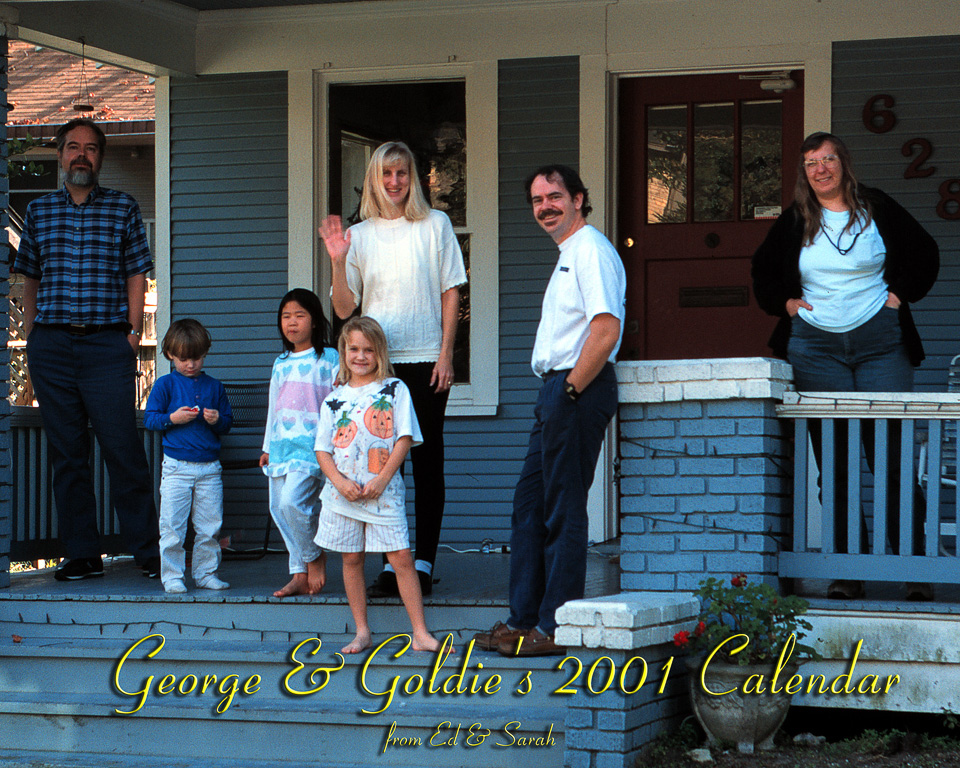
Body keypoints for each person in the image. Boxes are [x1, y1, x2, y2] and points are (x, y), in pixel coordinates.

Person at [752, 131, 939, 601]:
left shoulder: (876, 207)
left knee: (891, 458)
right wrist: (789, 305)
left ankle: (915, 570)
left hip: (882, 344)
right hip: (816, 350)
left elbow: (925, 252)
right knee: (835, 463)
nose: (821, 168)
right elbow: (763, 274)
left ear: (843, 164)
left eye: (828, 158)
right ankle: (844, 570)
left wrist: (899, 297)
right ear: (804, 172)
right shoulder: (796, 220)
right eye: (811, 162)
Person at [473, 165, 626, 657]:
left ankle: (555, 624)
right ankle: (523, 620)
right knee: (529, 506)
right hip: (557, 390)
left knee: (562, 507)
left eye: (555, 196)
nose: (546, 207)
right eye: (537, 200)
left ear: (579, 198)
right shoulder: (569, 254)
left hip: (575, 388)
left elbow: (606, 329)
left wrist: (572, 391)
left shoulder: (592, 251)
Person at [12, 117, 161, 581]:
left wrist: (133, 333)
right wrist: (34, 333)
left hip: (106, 344)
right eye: (72, 147)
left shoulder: (123, 207)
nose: (81, 155)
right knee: (67, 453)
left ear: (100, 157)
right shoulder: (39, 211)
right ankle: (82, 554)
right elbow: (29, 276)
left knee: (122, 449)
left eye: (90, 148)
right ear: (60, 156)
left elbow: (138, 271)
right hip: (53, 346)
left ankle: (147, 551)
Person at [319, 141, 467, 598]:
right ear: (374, 180)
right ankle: (391, 563)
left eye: (402, 173)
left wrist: (447, 355)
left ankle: (421, 563)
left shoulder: (435, 225)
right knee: (383, 465)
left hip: (425, 360)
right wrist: (339, 259)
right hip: (378, 368)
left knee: (427, 461)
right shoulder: (359, 235)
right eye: (386, 174)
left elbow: (451, 292)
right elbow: (345, 310)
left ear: (414, 177)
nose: (394, 182)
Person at [315, 317, 447, 655]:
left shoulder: (394, 390)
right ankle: (362, 632)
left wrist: (384, 477)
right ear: (343, 352)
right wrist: (340, 482)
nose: (360, 356)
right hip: (343, 494)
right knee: (352, 559)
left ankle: (419, 631)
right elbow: (323, 450)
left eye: (368, 350)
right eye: (353, 349)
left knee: (402, 557)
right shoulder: (334, 399)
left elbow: (404, 437)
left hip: (382, 491)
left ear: (379, 353)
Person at [259, 289, 338, 597]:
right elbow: (273, 406)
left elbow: (339, 403)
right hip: (281, 444)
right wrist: (267, 446)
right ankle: (299, 573)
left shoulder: (329, 358)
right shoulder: (280, 362)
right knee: (278, 507)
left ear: (315, 321)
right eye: (285, 316)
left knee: (294, 502)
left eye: (299, 315)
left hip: (312, 446)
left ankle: (313, 556)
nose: (291, 323)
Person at [144, 319, 233, 594]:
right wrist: (173, 418)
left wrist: (217, 419)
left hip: (209, 467)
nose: (190, 365)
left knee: (210, 526)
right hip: (176, 467)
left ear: (205, 355)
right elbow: (150, 419)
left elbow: (227, 423)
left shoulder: (214, 387)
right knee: (172, 525)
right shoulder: (165, 385)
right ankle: (172, 576)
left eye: (196, 358)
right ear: (170, 354)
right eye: (183, 359)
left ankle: (205, 573)